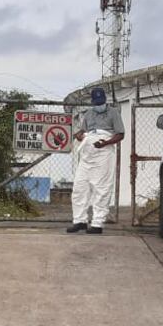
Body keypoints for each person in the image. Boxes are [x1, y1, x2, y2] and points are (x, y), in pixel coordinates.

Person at [67, 87, 125, 235]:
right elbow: (81, 131)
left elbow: (120, 134)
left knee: (101, 188)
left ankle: (97, 223)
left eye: (101, 102)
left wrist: (105, 143)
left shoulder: (113, 113)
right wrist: (80, 136)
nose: (99, 105)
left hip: (104, 150)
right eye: (97, 102)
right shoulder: (88, 114)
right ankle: (79, 221)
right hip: (87, 151)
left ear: (105, 100)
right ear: (93, 102)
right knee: (80, 187)